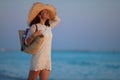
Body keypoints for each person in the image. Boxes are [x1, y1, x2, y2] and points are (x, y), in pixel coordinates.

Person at [26, 2, 60, 80]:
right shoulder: (34, 26)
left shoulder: (48, 27)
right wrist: (34, 35)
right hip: (38, 58)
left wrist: (49, 9)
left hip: (47, 59)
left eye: (47, 12)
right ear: (39, 15)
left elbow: (58, 20)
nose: (47, 13)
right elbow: (26, 42)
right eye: (45, 12)